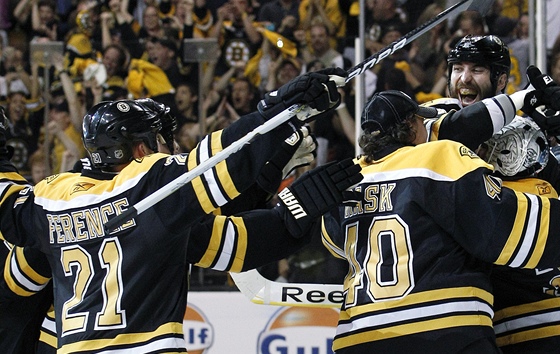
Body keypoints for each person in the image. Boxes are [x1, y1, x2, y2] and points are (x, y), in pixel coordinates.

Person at [0, 68, 362, 352]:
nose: (166, 148)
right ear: (139, 151)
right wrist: (274, 113)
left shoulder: (52, 196)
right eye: (158, 140)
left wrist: (276, 194)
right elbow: (217, 165)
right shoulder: (149, 189)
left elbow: (9, 211)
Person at [319, 89, 560, 353]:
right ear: (412, 126)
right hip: (442, 332)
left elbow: (335, 245)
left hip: (357, 335)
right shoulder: (437, 157)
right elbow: (501, 228)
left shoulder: (346, 179)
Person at [424, 34, 560, 353]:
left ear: (501, 78)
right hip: (474, 322)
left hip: (540, 315)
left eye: (477, 70)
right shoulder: (435, 117)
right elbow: (453, 132)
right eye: (457, 68)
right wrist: (524, 98)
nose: (463, 78)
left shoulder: (532, 129)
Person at [479, 117, 560, 353]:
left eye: (488, 147)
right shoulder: (554, 193)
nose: (482, 153)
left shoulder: (500, 196)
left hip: (522, 331)